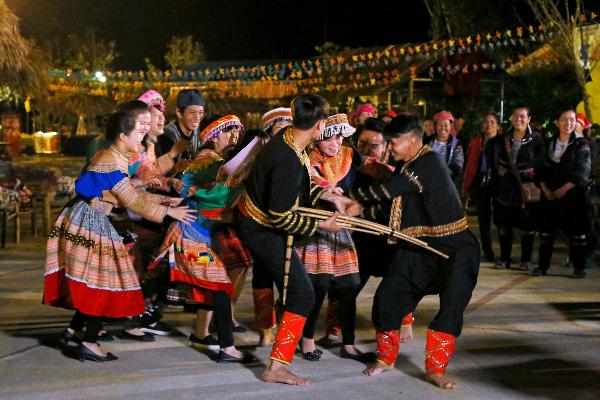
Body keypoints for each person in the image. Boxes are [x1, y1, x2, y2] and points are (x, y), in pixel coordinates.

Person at [43, 111, 195, 362]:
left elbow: (128, 192)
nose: (143, 135)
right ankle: (89, 341)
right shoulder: (112, 161)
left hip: (91, 219)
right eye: (139, 129)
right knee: (105, 279)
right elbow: (131, 200)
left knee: (98, 278)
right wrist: (169, 211)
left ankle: (73, 332)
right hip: (89, 222)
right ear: (123, 135)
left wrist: (167, 201)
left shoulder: (116, 156)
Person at [347, 114, 480, 389]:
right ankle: (386, 358)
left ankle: (436, 370)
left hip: (455, 251)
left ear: (410, 140)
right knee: (387, 298)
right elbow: (390, 208)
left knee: (451, 308)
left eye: (392, 142)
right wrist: (356, 213)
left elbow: (389, 190)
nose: (389, 148)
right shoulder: (407, 165)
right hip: (418, 248)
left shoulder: (428, 163)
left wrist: (350, 198)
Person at [234, 93, 353, 385]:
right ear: (320, 124)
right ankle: (275, 368)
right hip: (260, 227)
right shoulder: (286, 155)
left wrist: (326, 196)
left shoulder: (291, 138)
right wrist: (322, 224)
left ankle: (276, 360)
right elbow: (281, 216)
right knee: (302, 292)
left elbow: (301, 184)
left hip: (261, 219)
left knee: (299, 291)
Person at [294, 113, 373, 362]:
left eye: (339, 137)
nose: (335, 143)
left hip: (341, 230)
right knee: (318, 286)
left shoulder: (349, 156)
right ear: (318, 137)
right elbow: (311, 185)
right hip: (317, 229)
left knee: (349, 285)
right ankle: (306, 339)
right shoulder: (307, 159)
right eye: (329, 137)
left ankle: (348, 344)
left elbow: (370, 172)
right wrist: (328, 192)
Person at [531, 110, 591, 278]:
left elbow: (583, 172)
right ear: (557, 122)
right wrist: (545, 189)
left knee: (577, 234)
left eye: (571, 119)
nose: (568, 123)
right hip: (549, 196)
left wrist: (563, 190)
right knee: (546, 233)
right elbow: (539, 169)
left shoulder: (582, 144)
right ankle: (542, 267)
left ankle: (579, 269)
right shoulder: (549, 143)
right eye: (564, 119)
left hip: (574, 196)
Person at [487, 105, 545, 271]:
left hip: (527, 188)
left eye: (522, 116)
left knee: (528, 225)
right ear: (511, 118)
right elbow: (496, 161)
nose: (518, 119)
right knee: (504, 225)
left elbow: (540, 162)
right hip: (506, 189)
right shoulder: (503, 138)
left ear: (528, 119)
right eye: (515, 116)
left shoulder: (536, 139)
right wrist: (503, 172)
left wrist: (530, 174)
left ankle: (526, 260)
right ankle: (504, 258)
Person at [462, 113, 500, 262]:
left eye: (492, 122)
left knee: (500, 219)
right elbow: (470, 165)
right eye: (486, 122)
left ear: (498, 126)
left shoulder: (503, 142)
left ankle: (504, 253)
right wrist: (466, 186)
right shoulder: (476, 142)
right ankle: (488, 252)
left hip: (498, 183)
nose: (489, 125)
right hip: (480, 183)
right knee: (483, 220)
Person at [157, 89, 205, 170]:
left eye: (201, 113)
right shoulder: (166, 135)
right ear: (179, 113)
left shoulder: (198, 133)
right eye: (192, 112)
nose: (197, 118)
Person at [429, 111, 464, 186]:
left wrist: (445, 173)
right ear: (435, 126)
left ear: (451, 126)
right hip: (429, 182)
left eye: (446, 125)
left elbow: (459, 163)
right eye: (440, 125)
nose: (443, 128)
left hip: (448, 184)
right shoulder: (428, 142)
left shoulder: (456, 144)